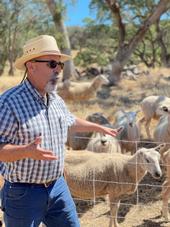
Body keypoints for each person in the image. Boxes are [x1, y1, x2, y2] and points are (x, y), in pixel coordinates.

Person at [0, 35, 119, 227]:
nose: (58, 70)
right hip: (23, 195)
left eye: (60, 65)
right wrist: (26, 151)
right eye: (53, 64)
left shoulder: (55, 98)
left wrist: (98, 127)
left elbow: (68, 120)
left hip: (58, 187)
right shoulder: (8, 103)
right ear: (31, 66)